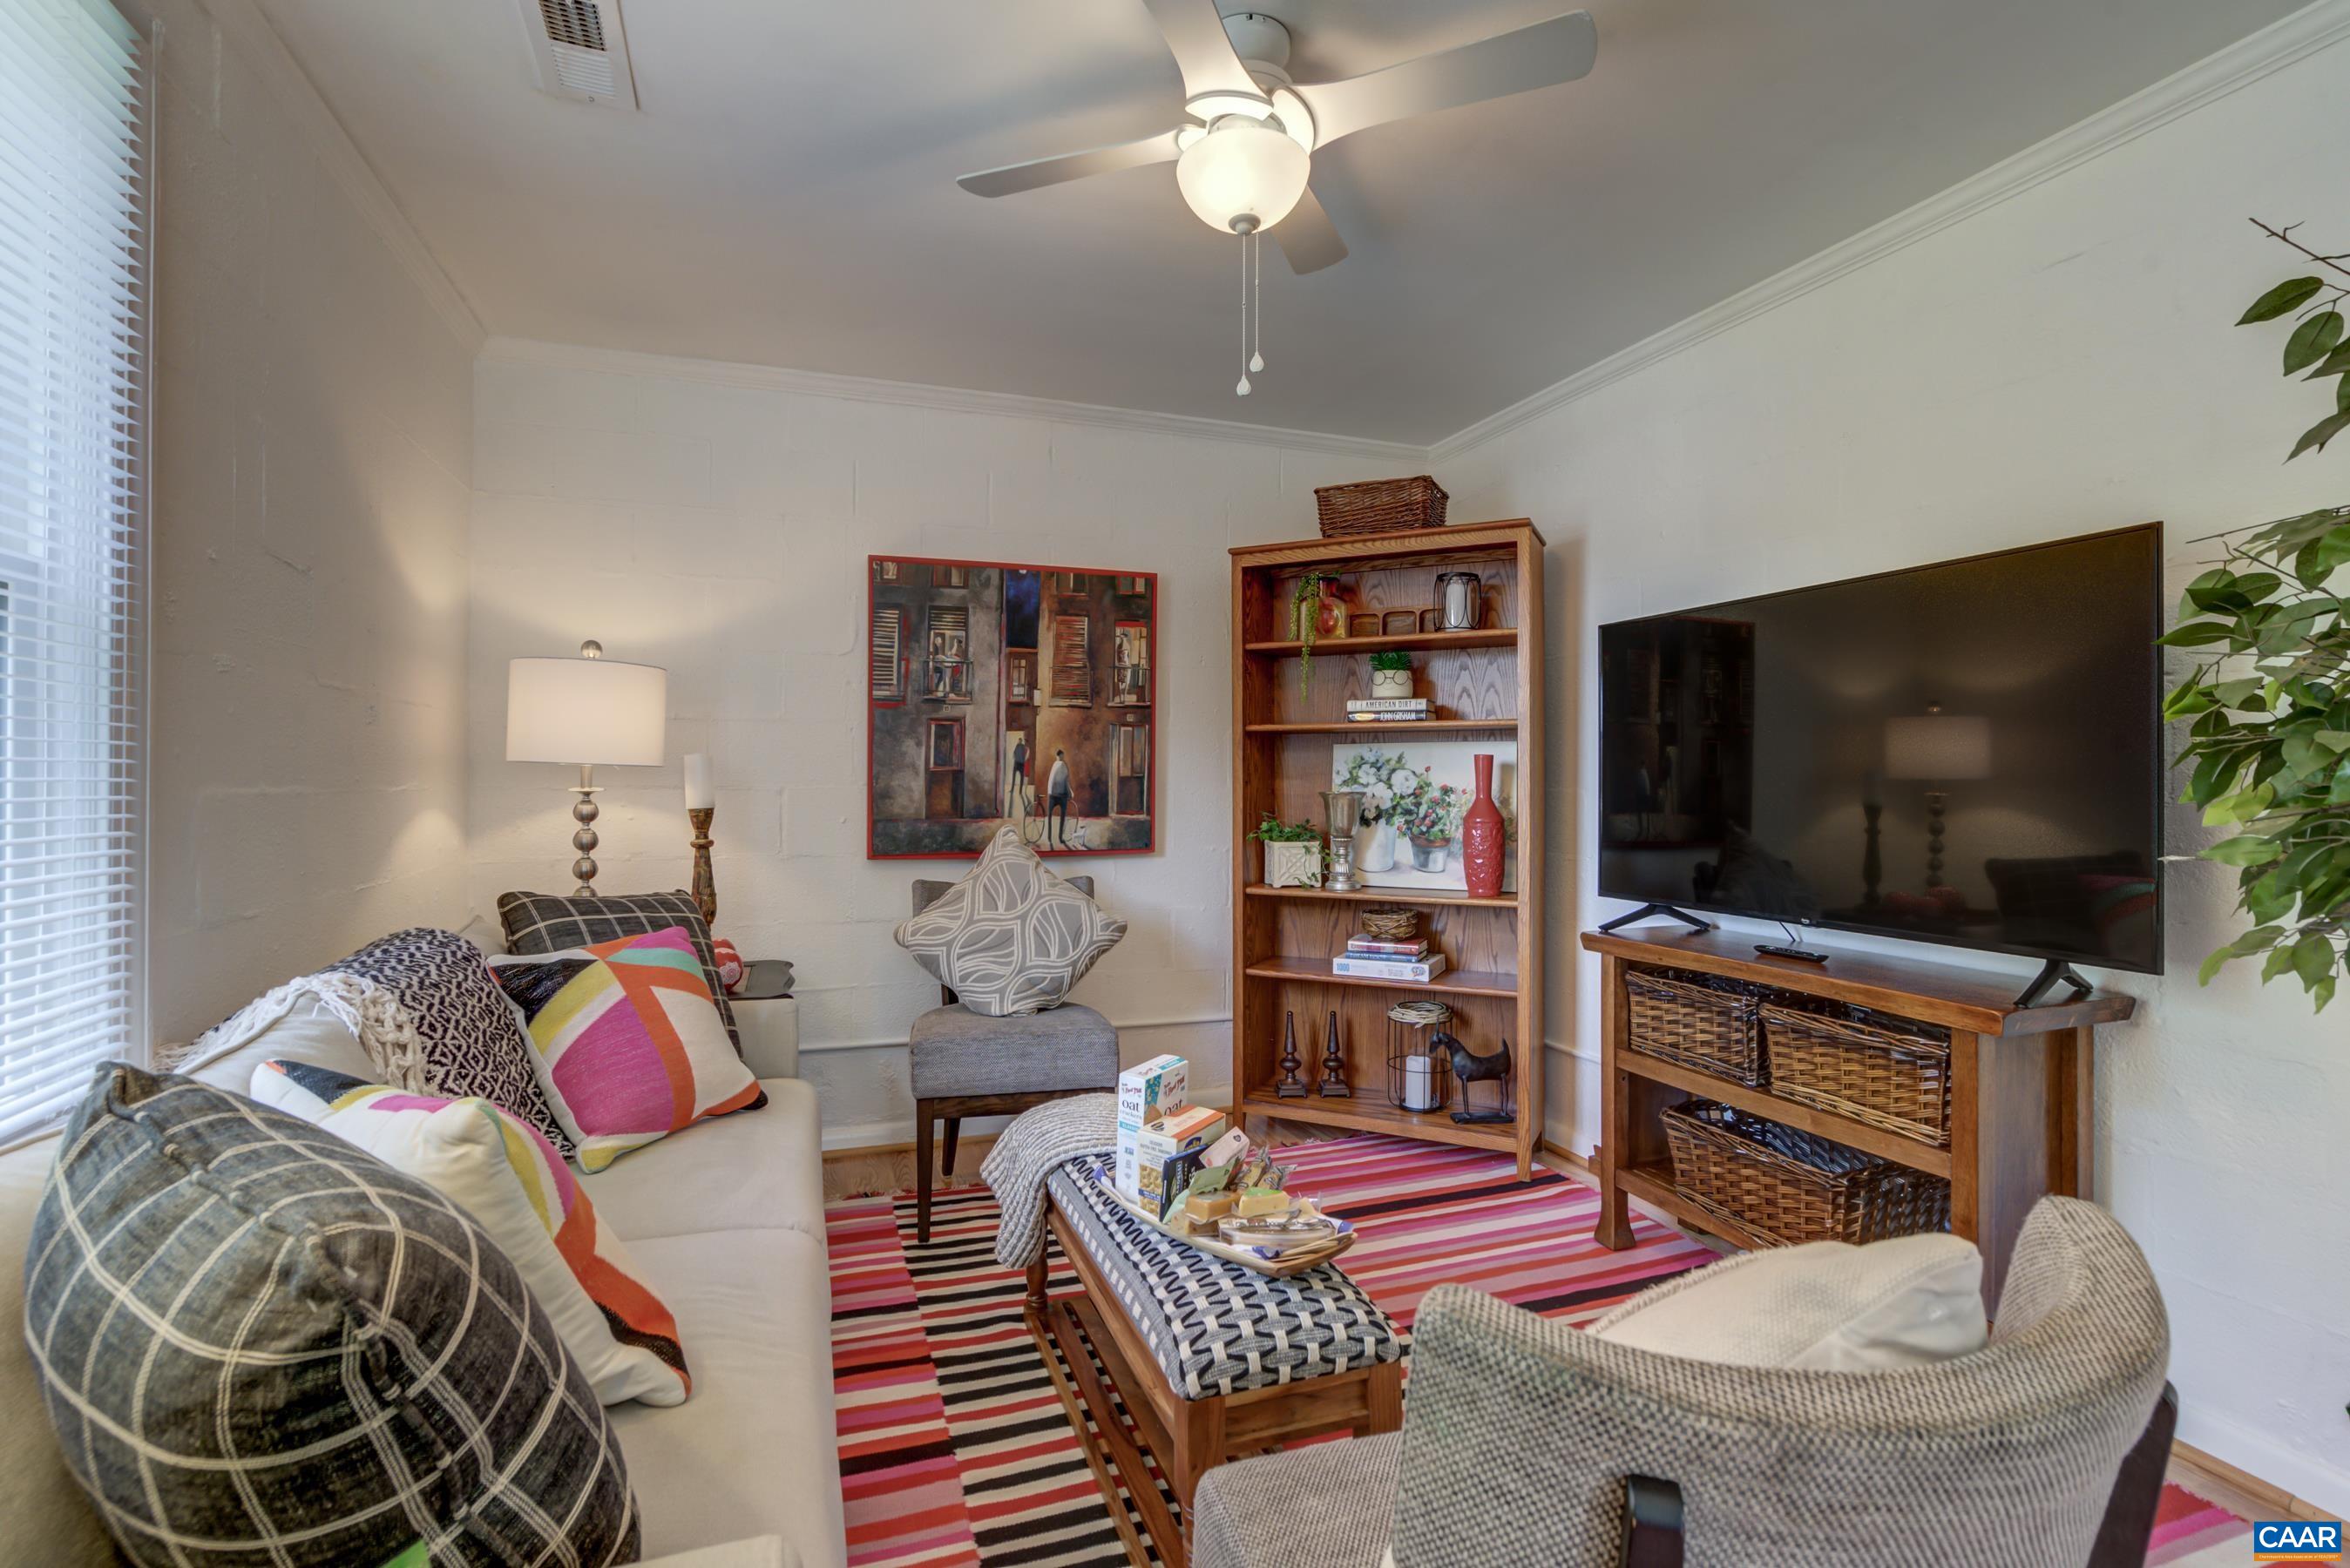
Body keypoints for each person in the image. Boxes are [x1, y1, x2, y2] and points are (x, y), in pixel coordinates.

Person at [1046, 748, 1072, 848]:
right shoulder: (1063, 765)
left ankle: (1049, 837)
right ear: (1061, 756)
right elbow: (1066, 781)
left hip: (1051, 794)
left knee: (1049, 815)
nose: (1063, 757)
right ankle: (1060, 838)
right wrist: (1070, 793)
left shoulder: (1054, 765)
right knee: (1062, 815)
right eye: (1063, 755)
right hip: (1061, 795)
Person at [1007, 735, 1030, 817]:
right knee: (1015, 777)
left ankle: (1018, 790)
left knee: (1020, 779)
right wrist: (1016, 757)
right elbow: (1014, 753)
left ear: (1021, 741)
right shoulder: (1019, 746)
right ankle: (1013, 789)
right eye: (1018, 741)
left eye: (1019, 741)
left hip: (1020, 764)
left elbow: (1025, 755)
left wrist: (1020, 759)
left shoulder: (1023, 747)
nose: (1018, 742)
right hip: (1018, 764)